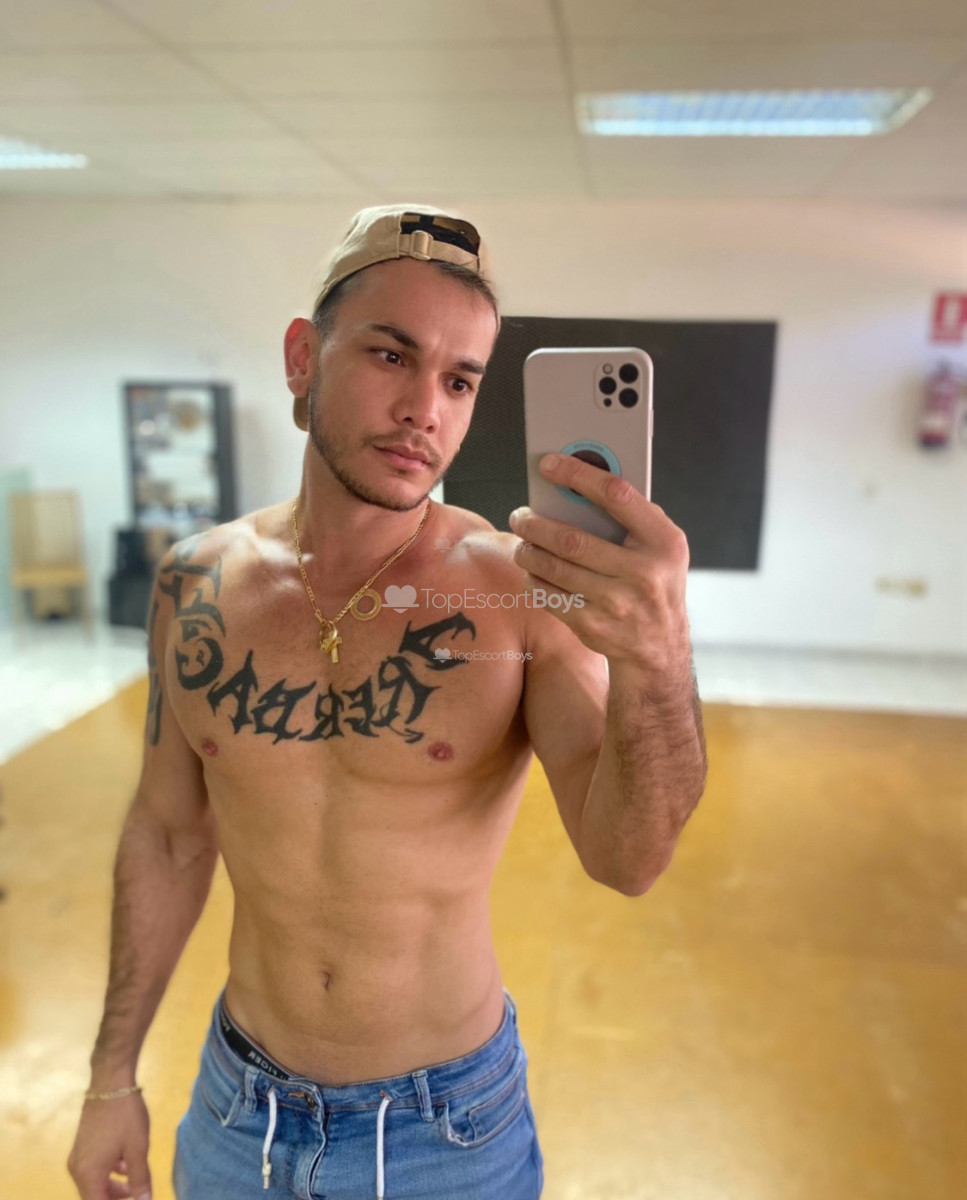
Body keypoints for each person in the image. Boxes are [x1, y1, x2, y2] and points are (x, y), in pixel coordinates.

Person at [67, 204, 707, 1200]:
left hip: (445, 1130)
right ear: (301, 358)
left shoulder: (516, 592)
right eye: (390, 355)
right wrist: (111, 1077)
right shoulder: (194, 583)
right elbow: (168, 833)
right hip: (239, 1112)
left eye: (459, 380)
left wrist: (659, 662)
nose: (425, 410)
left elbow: (628, 860)